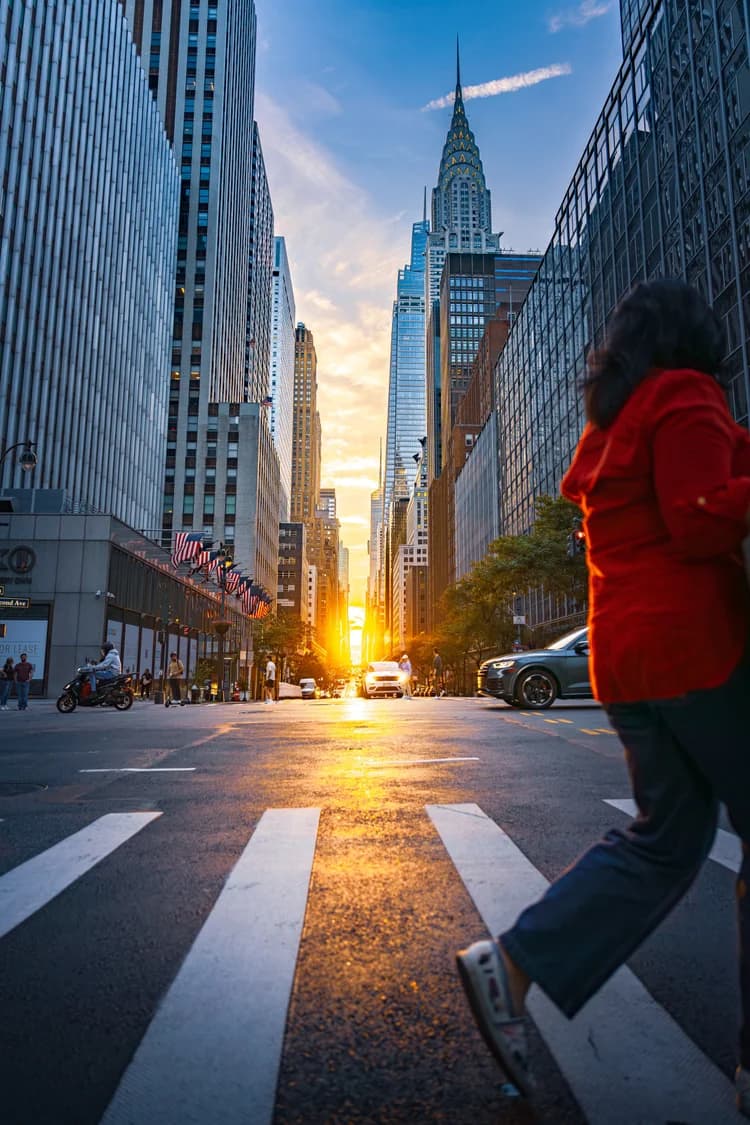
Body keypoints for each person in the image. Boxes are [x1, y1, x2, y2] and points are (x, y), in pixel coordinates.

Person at [455, 279, 750, 1114]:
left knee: (665, 840)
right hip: (697, 649)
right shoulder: (686, 394)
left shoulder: (615, 426)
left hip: (626, 663)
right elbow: (699, 516)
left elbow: (701, 471)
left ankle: (512, 964)